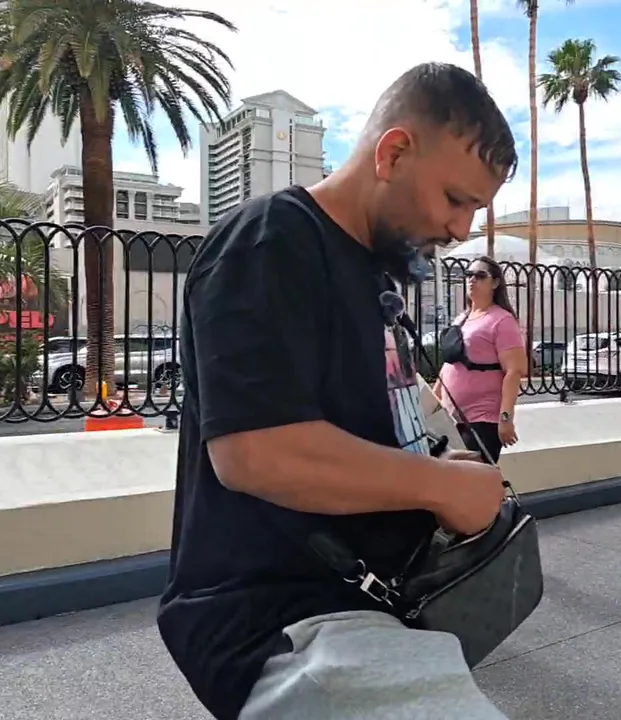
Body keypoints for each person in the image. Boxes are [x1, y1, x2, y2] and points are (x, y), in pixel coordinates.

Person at [157, 63, 519, 720]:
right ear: (393, 153)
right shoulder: (269, 242)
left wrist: (437, 467)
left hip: (367, 603)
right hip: (280, 620)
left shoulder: (370, 271)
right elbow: (255, 453)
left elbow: (359, 427)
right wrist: (438, 487)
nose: (462, 229)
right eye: (455, 199)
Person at [433, 255, 527, 462]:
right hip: (451, 419)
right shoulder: (462, 318)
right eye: (469, 275)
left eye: (480, 275)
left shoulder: (502, 320)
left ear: (495, 283)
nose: (472, 280)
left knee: (474, 476)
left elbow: (514, 371)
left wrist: (505, 418)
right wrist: (433, 404)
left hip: (482, 419)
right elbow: (449, 366)